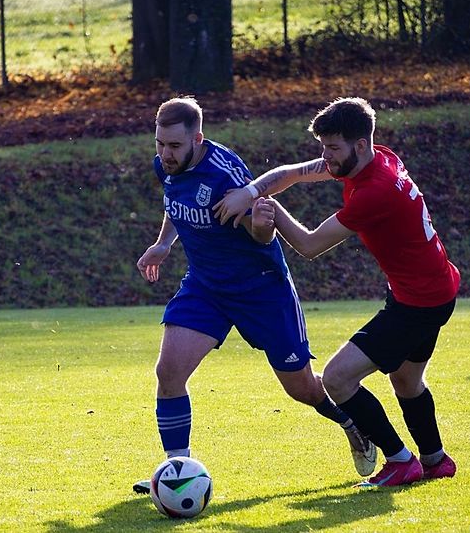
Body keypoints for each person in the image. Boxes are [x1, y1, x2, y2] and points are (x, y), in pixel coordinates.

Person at [132, 97, 376, 494]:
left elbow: (260, 233)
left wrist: (264, 224)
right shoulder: (167, 165)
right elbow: (175, 202)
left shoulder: (224, 173)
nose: (165, 154)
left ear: (198, 138)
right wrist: (164, 244)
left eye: (174, 146)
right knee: (169, 372)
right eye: (159, 143)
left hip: (261, 289)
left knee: (302, 389)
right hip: (206, 287)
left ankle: (353, 423)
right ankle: (177, 471)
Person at [214, 97, 460, 488]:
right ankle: (435, 461)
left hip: (418, 303)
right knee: (407, 382)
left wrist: (271, 210)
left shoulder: (375, 191)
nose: (324, 157)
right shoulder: (378, 157)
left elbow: (310, 245)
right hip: (433, 289)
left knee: (337, 379)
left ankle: (400, 461)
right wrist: (250, 191)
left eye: (332, 148)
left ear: (359, 145)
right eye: (322, 147)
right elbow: (292, 173)